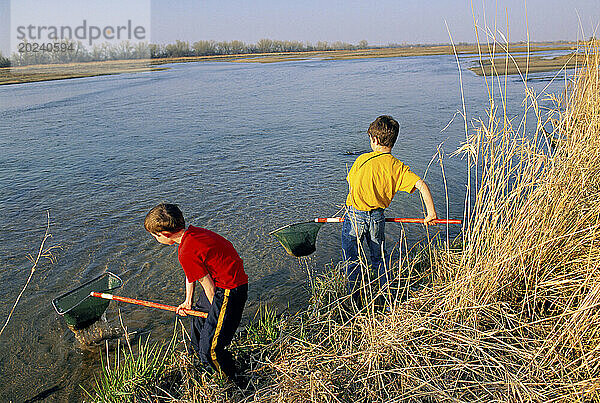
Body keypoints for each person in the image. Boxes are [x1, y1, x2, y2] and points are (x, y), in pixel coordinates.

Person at [144, 203, 248, 384]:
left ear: (166, 235)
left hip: (230, 289)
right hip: (222, 281)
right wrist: (188, 301)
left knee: (210, 349)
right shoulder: (192, 234)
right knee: (198, 318)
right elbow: (192, 273)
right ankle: (197, 358)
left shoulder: (186, 251)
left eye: (155, 236)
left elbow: (209, 289)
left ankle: (232, 382)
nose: (155, 239)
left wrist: (217, 315)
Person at [342, 115, 437, 298]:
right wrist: (431, 213)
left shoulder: (362, 159)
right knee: (380, 258)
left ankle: (354, 300)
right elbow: (421, 185)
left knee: (352, 259)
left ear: (374, 140)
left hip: (354, 215)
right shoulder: (397, 166)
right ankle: (389, 296)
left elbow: (351, 183)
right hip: (377, 217)